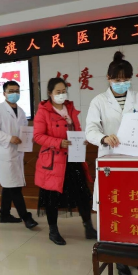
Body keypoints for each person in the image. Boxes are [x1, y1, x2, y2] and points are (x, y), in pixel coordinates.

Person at [86, 51, 138, 275]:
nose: (122, 83)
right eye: (117, 79)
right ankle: (120, 258)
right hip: (110, 163)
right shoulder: (98, 101)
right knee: (116, 210)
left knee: (137, 209)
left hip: (136, 163)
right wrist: (103, 138)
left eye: (126, 79)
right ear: (108, 78)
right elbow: (90, 130)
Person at [33, 77, 96, 246]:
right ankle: (53, 231)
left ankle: (88, 227)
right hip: (54, 160)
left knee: (82, 192)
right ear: (50, 93)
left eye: (64, 91)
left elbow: (77, 129)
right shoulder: (43, 112)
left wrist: (82, 139)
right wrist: (58, 142)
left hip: (73, 157)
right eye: (58, 92)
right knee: (52, 197)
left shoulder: (70, 108)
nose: (62, 95)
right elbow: (38, 136)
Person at [0, 80, 38, 228]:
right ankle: (26, 217)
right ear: (4, 93)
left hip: (17, 152)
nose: (14, 94)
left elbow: (24, 130)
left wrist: (29, 138)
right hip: (4, 153)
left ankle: (4, 214)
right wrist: (9, 138)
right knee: (14, 186)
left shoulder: (21, 111)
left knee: (9, 184)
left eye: (17, 91)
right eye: (11, 91)